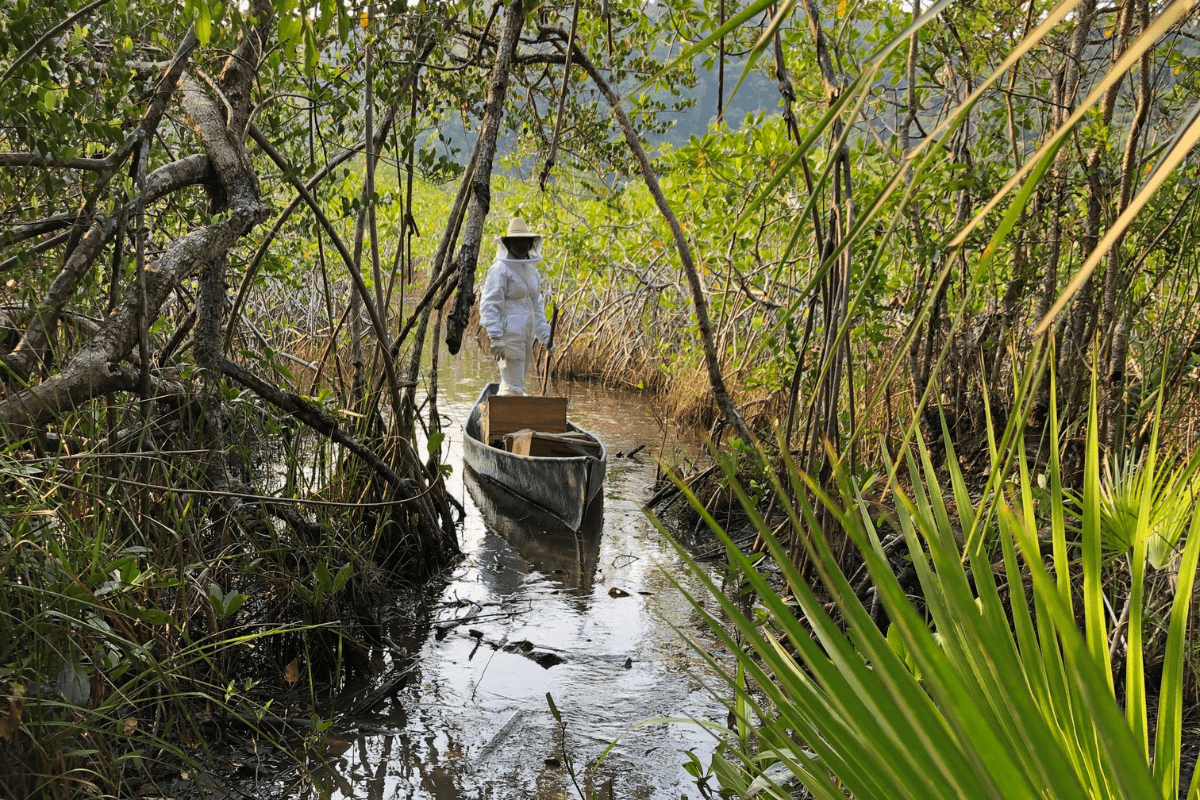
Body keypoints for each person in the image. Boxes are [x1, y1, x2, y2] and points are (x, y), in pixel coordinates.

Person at [479, 217, 553, 395]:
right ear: (508, 244)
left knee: (514, 383)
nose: (521, 245)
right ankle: (508, 420)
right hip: (508, 335)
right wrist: (496, 337)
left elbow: (537, 308)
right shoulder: (500, 269)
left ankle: (501, 418)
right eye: (516, 241)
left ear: (530, 243)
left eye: (524, 241)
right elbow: (489, 304)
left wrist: (545, 336)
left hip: (526, 336)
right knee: (513, 386)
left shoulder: (532, 272)